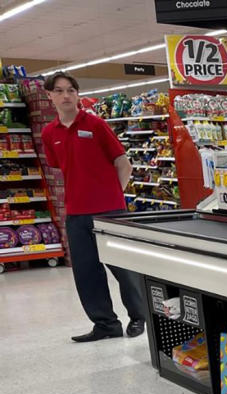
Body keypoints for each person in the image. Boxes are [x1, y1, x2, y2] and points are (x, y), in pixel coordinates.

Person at [40, 72, 147, 342]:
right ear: (50, 96)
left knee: (123, 269)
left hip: (109, 212)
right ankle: (106, 325)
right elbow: (60, 166)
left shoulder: (96, 124)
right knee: (86, 272)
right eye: (60, 91)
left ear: (77, 94)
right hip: (75, 213)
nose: (66, 96)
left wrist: (114, 196)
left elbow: (124, 163)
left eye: (71, 90)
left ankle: (138, 317)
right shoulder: (49, 132)